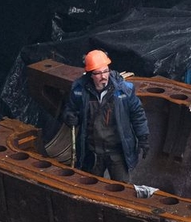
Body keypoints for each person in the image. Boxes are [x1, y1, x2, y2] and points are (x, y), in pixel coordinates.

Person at [59, 49, 149, 180]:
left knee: (121, 187)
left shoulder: (124, 90)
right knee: (90, 187)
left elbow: (138, 114)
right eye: (98, 73)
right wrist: (69, 117)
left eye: (106, 71)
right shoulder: (79, 90)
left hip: (117, 152)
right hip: (92, 152)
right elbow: (70, 109)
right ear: (90, 74)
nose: (104, 76)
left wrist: (143, 138)